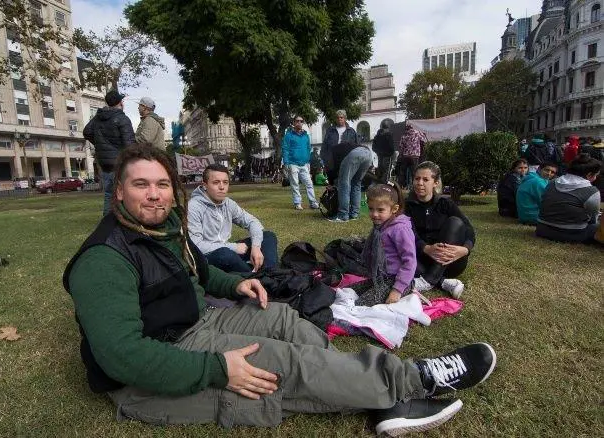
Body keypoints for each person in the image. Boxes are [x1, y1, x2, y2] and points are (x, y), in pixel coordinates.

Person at [64, 144, 497, 435]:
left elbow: (200, 274)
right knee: (284, 365)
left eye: (162, 184)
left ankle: (359, 388)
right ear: (119, 191)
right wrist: (216, 369)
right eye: (142, 185)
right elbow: (122, 357)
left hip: (200, 318)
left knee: (288, 320)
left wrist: (238, 282)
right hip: (160, 361)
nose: (156, 195)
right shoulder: (103, 259)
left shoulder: (165, 227)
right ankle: (415, 380)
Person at [187, 163, 278, 272]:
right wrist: (233, 247)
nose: (222, 187)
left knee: (268, 236)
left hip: (228, 251)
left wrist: (256, 247)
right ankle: (256, 278)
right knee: (225, 254)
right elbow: (196, 245)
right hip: (207, 258)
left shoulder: (228, 204)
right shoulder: (193, 207)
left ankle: (271, 273)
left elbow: (252, 222)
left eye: (225, 182)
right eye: (216, 182)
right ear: (205, 185)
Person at [405, 162, 476, 299]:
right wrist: (425, 248)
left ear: (435, 183)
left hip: (450, 261)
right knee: (400, 255)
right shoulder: (406, 206)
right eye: (417, 178)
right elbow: (408, 234)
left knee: (456, 222)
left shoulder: (445, 204)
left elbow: (468, 229)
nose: (420, 183)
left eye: (425, 179)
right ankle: (443, 282)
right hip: (421, 260)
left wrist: (465, 249)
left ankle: (428, 280)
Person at [351, 183, 417, 306]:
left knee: (360, 304)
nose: (374, 214)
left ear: (394, 209)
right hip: (382, 278)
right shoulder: (381, 225)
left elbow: (410, 261)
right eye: (371, 209)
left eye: (380, 210)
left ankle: (406, 291)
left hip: (397, 281)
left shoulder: (400, 230)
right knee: (349, 291)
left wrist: (397, 290)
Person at [83, 88, 135, 215]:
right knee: (124, 193)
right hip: (120, 163)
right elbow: (130, 144)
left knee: (108, 194)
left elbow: (87, 132)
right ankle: (125, 220)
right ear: (120, 103)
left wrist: (101, 144)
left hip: (105, 164)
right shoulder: (123, 119)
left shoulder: (98, 118)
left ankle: (107, 222)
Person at [536, 154, 602, 243]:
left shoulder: (552, 182)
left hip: (542, 229)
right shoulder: (591, 191)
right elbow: (593, 219)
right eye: (596, 175)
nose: (595, 178)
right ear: (589, 174)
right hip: (572, 234)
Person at [325, 142, 373, 222]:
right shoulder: (341, 147)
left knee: (344, 184)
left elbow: (333, 169)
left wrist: (331, 183)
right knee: (356, 184)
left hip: (355, 154)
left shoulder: (331, 152)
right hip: (368, 153)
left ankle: (343, 215)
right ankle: (354, 214)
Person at [281, 115, 320, 210]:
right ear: (293, 123)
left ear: (303, 123)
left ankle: (313, 202)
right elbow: (285, 149)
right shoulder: (288, 135)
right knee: (295, 184)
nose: (299, 122)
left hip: (304, 164)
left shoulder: (306, 136)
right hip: (292, 163)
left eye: (301, 121)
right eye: (297, 121)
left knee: (309, 183)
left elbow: (308, 148)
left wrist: (308, 161)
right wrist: (286, 163)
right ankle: (297, 203)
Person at [320, 109, 358, 173]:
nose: (339, 119)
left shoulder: (351, 131)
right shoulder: (330, 131)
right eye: (337, 117)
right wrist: (325, 160)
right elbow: (324, 146)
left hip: (347, 161)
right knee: (334, 181)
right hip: (332, 162)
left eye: (341, 117)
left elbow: (356, 147)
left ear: (345, 118)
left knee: (345, 181)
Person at [398, 124, 427, 189]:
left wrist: (401, 155)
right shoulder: (417, 133)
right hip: (415, 156)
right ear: (412, 128)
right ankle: (415, 187)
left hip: (405, 156)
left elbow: (401, 147)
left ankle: (399, 186)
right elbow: (424, 140)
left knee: (402, 172)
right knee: (414, 172)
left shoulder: (404, 135)